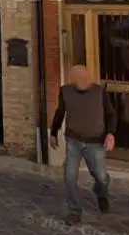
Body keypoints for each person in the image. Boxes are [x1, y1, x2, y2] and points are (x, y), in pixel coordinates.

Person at [49, 64, 116, 224]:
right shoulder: (66, 91)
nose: (83, 81)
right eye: (79, 78)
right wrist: (53, 132)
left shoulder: (99, 92)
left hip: (95, 141)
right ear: (73, 80)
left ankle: (101, 193)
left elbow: (111, 114)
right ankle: (74, 211)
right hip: (74, 141)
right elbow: (60, 112)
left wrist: (111, 134)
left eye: (85, 78)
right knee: (69, 176)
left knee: (100, 176)